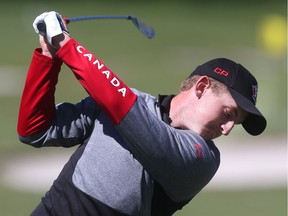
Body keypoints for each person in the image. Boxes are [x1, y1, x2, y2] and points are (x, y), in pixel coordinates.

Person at [17, 11, 267, 216]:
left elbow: (125, 109)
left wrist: (65, 44)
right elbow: (35, 129)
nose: (228, 129)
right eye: (228, 113)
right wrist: (49, 57)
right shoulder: (131, 103)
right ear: (201, 87)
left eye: (236, 122)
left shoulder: (203, 159)